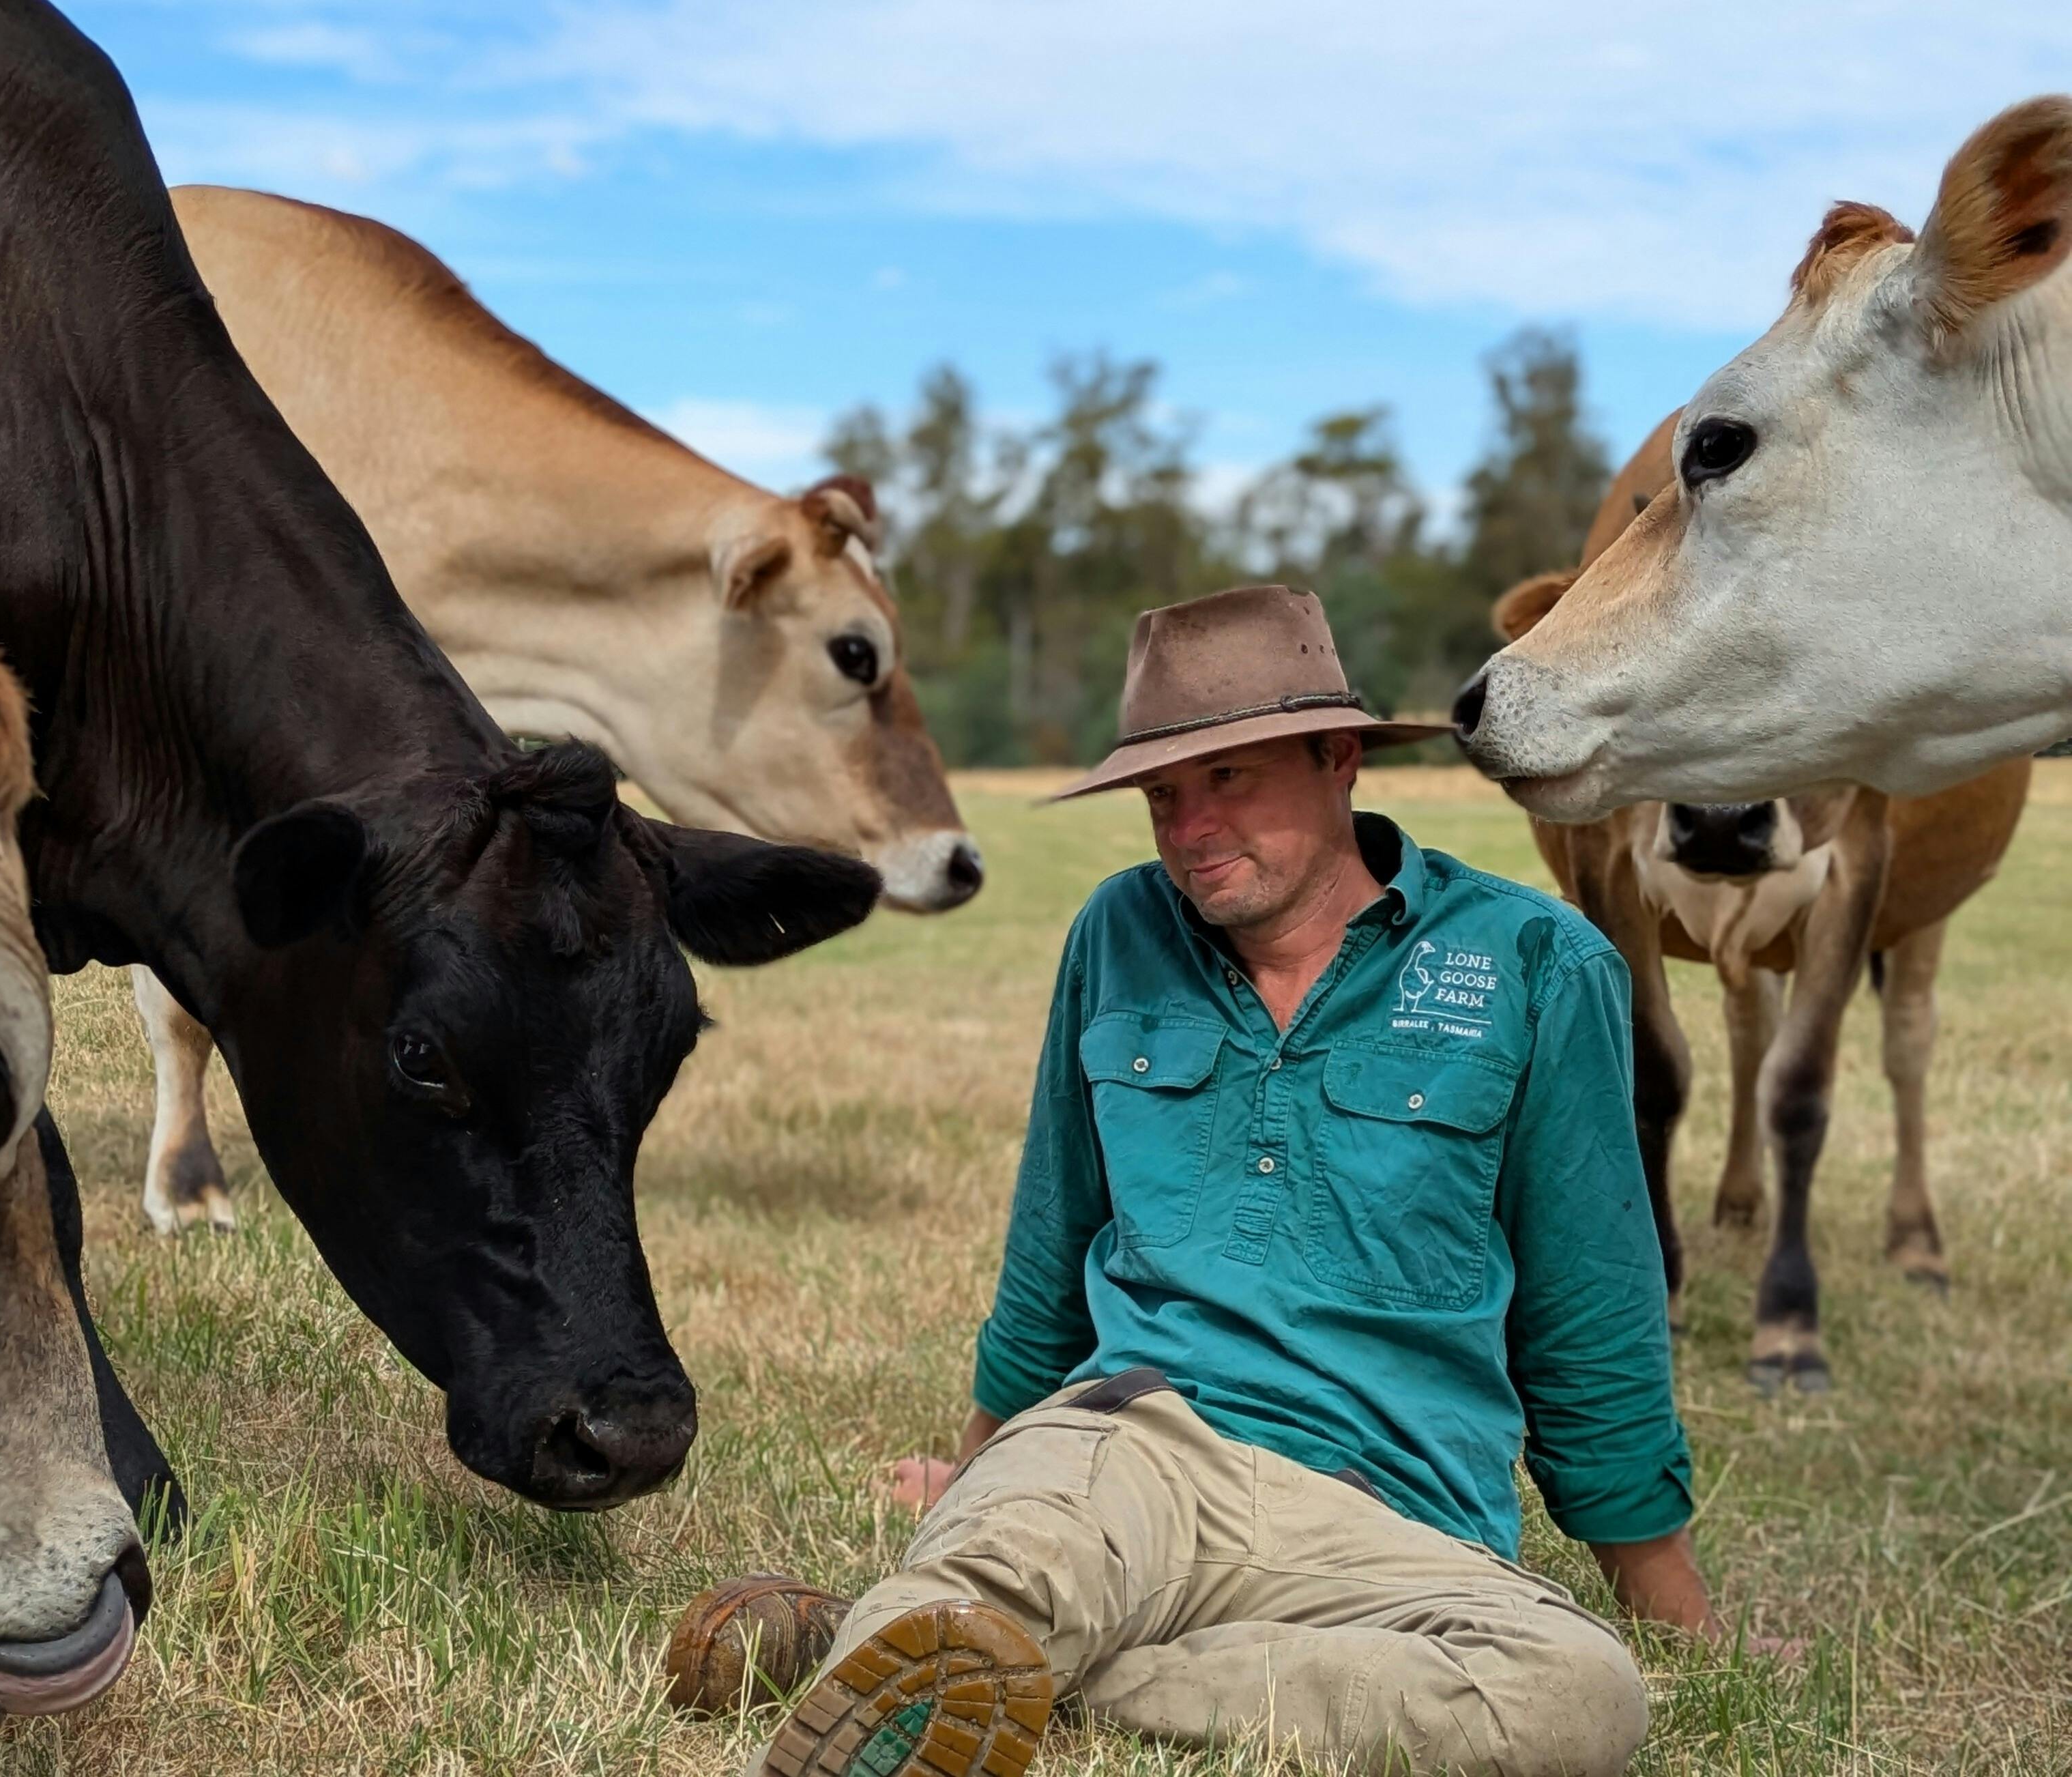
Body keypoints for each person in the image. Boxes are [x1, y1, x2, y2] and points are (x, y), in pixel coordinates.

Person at [669, 587, 1710, 1777]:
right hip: (1137, 1444)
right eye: (1165, 795)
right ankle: (966, 1623)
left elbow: (1593, 1309)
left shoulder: (1533, 960)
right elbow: (1053, 1240)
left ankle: (967, 1656)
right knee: (1025, 1548)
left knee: (1577, 1699)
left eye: (1231, 780)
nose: (1190, 827)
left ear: (1339, 759)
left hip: (1393, 1515)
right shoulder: (1120, 931)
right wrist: (978, 1468)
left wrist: (1671, 1602)